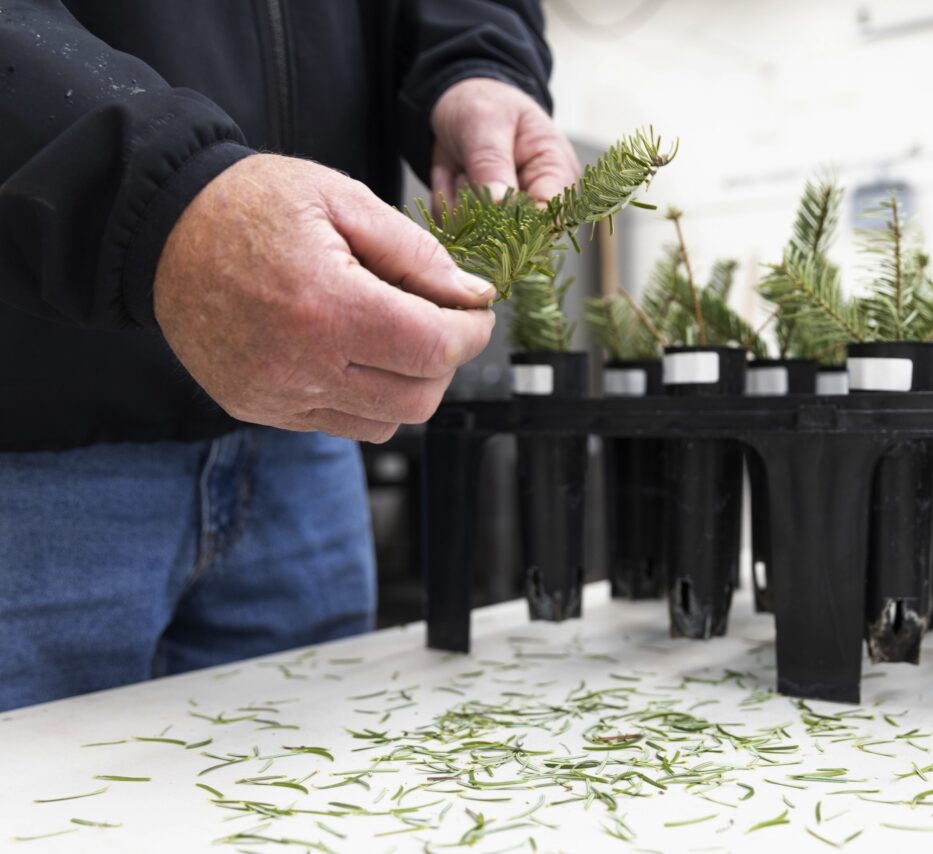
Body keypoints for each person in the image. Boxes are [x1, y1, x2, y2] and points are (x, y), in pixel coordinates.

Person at [0, 1, 580, 712]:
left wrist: (479, 62)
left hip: (308, 446)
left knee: (311, 804)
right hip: (28, 453)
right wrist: (160, 192)